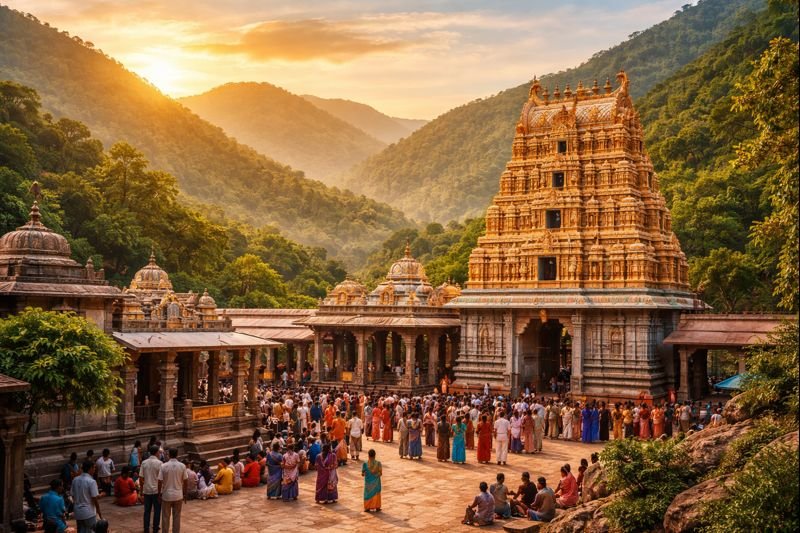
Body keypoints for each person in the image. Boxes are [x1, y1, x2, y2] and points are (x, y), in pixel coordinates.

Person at [158, 448, 187, 533]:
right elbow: (185, 481)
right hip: (178, 495)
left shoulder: (163, 466)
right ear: (177, 454)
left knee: (165, 517)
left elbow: (159, 481)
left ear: (169, 454)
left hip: (167, 495)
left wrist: (159, 493)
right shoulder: (182, 466)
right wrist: (185, 493)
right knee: (177, 516)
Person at [72, 461, 102, 533]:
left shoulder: (75, 480)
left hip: (78, 511)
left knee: (81, 530)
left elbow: (73, 495)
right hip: (88, 512)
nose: (95, 470)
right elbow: (95, 498)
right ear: (90, 468)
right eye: (94, 468)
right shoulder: (91, 481)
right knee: (91, 530)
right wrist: (99, 512)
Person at [140, 445, 162, 533]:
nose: (160, 454)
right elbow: (161, 479)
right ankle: (155, 528)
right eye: (159, 452)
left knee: (147, 511)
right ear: (156, 452)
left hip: (147, 490)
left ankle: (146, 528)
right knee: (157, 510)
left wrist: (141, 491)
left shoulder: (144, 463)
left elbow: (141, 478)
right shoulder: (160, 463)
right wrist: (161, 492)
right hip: (156, 490)